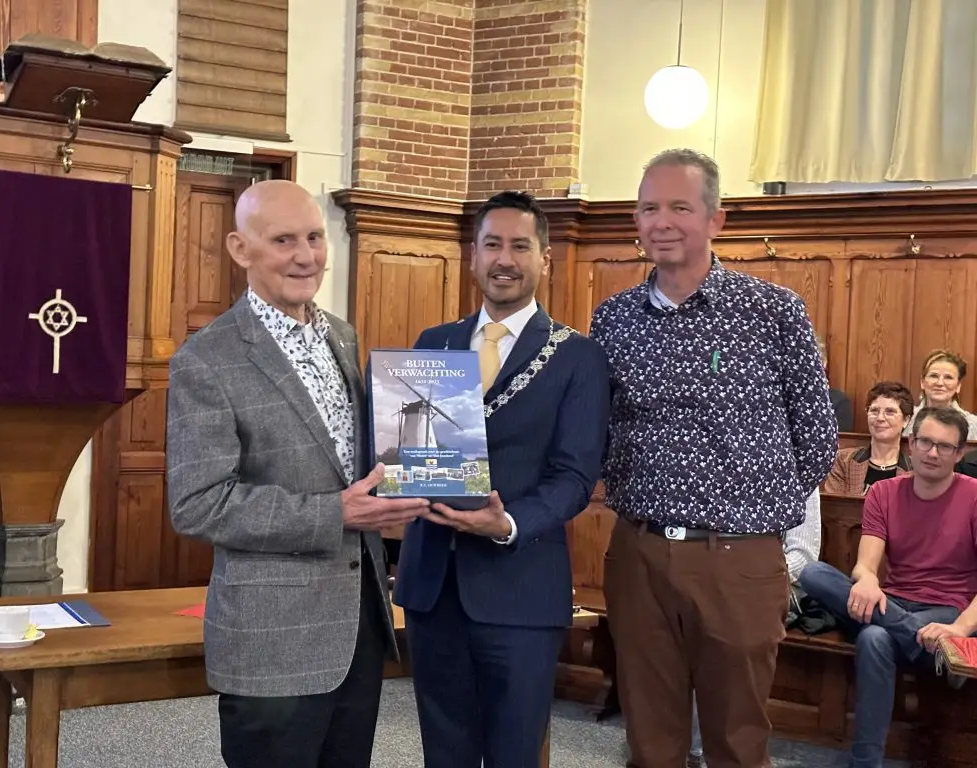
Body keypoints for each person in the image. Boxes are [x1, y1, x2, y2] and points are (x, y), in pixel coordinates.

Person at [165, 180, 428, 768]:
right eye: (283, 240)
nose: (306, 255)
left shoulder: (342, 334)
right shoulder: (207, 360)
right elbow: (198, 502)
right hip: (271, 641)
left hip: (357, 625)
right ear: (240, 248)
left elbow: (349, 464)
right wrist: (334, 513)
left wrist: (415, 483)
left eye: (313, 237)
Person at [590, 148, 838, 768]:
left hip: (738, 557)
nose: (661, 221)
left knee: (737, 740)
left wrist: (752, 508)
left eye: (679, 206)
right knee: (649, 737)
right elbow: (596, 430)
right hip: (639, 553)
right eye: (648, 208)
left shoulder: (771, 311)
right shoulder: (614, 318)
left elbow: (816, 438)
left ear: (716, 219)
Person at [394, 190, 611, 768]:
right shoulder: (431, 344)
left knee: (515, 753)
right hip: (432, 585)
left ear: (545, 260)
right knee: (444, 752)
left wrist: (508, 522)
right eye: (493, 245)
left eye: (520, 246)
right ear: (473, 256)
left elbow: (574, 476)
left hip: (520, 588)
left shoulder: (577, 357)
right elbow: (410, 450)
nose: (505, 259)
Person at [799, 406, 977, 767]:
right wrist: (866, 580)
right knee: (812, 574)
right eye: (925, 442)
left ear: (959, 453)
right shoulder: (884, 492)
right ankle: (944, 649)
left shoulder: (974, 496)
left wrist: (959, 628)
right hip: (890, 600)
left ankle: (865, 763)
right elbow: (866, 564)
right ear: (911, 444)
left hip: (945, 610)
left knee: (874, 638)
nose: (932, 452)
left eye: (944, 446)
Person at [687, 487, 823, 766]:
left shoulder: (797, 464)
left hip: (768, 582)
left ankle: (704, 750)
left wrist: (753, 571)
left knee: (724, 628)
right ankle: (689, 748)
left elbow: (804, 555)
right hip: (703, 579)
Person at [823, 381, 914, 495]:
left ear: (906, 420)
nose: (880, 418)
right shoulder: (843, 461)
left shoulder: (915, 470)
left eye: (890, 412)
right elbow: (835, 510)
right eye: (874, 411)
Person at [903, 349, 977, 440]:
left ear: (958, 386)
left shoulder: (973, 425)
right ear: (922, 382)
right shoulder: (905, 419)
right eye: (934, 376)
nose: (940, 383)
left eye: (948, 377)